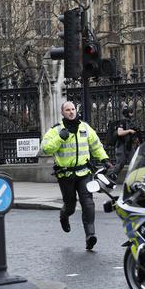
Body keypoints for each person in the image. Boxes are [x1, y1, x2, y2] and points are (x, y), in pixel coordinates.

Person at [41, 101, 110, 250]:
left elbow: (96, 145)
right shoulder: (56, 130)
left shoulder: (85, 127)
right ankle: (64, 215)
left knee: (88, 203)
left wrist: (104, 159)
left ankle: (90, 235)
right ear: (62, 113)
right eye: (68, 110)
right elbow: (45, 148)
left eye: (73, 109)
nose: (71, 112)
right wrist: (60, 138)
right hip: (65, 174)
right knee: (71, 206)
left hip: (84, 172)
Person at [110, 105, 141, 177]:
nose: (132, 114)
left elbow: (134, 135)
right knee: (120, 164)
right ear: (127, 113)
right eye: (131, 112)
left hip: (129, 146)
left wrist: (137, 141)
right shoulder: (122, 122)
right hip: (121, 145)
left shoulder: (131, 122)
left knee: (134, 162)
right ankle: (111, 176)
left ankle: (134, 178)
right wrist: (129, 131)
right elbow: (119, 133)